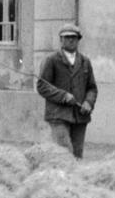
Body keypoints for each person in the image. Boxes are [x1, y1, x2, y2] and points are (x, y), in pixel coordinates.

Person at [36, 22, 98, 159]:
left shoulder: (85, 62)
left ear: (78, 40)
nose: (70, 40)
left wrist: (88, 102)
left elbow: (92, 88)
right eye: (67, 37)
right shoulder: (51, 60)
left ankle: (74, 179)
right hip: (58, 114)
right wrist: (63, 96)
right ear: (61, 40)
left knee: (77, 153)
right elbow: (42, 86)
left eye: (74, 37)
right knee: (63, 151)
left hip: (80, 114)